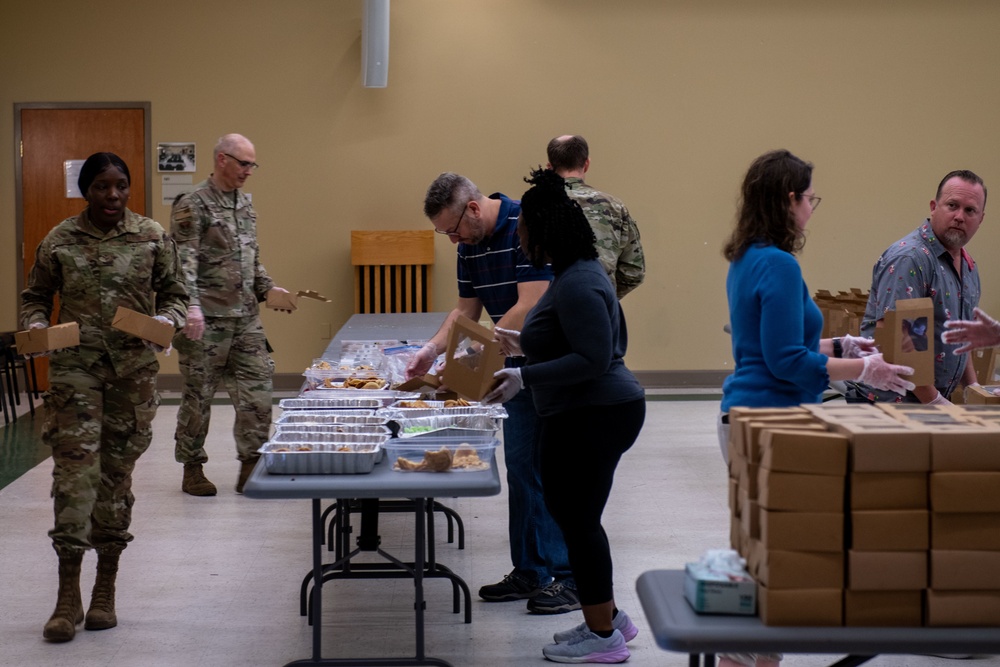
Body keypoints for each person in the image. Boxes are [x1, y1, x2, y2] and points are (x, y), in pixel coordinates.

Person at [719, 150, 915, 667]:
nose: (812, 207)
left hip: (748, 413)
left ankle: (757, 657)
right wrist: (866, 372)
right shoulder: (779, 265)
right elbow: (784, 362)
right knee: (778, 554)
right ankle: (748, 656)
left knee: (766, 551)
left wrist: (841, 346)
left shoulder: (748, 258)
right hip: (769, 419)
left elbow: (770, 347)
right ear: (789, 201)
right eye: (810, 198)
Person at [21, 152, 188, 642]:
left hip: (131, 376)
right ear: (85, 190)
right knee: (75, 478)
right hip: (75, 371)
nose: (112, 196)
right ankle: (66, 597)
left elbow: (175, 293)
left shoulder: (153, 236)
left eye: (120, 186)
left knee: (114, 482)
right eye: (101, 187)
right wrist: (35, 325)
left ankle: (104, 591)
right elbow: (36, 296)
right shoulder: (60, 239)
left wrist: (169, 322)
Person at [483, 168, 645, 664]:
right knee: (577, 519)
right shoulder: (572, 273)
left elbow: (594, 358)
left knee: (578, 523)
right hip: (585, 411)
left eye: (523, 230)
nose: (520, 238)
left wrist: (525, 377)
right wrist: (523, 345)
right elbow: (568, 340)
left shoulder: (577, 283)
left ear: (544, 229)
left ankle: (603, 639)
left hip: (596, 414)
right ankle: (609, 619)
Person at [404, 172, 579, 614]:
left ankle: (568, 577)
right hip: (515, 367)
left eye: (453, 229)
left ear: (474, 209)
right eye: (444, 233)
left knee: (554, 471)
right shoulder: (469, 244)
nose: (451, 240)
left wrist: (468, 361)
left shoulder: (526, 224)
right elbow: (466, 310)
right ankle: (530, 571)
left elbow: (529, 304)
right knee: (521, 469)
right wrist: (431, 350)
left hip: (550, 365)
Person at [171, 133, 291, 496]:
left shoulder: (245, 205)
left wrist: (269, 288)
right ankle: (192, 467)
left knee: (258, 392)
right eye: (244, 163)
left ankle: (250, 465)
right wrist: (189, 307)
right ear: (222, 160)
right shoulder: (192, 204)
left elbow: (251, 257)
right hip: (204, 322)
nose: (249, 171)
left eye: (253, 164)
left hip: (246, 320)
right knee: (198, 399)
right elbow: (182, 263)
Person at [847, 169, 987, 405]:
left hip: (926, 403)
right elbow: (901, 344)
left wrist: (972, 388)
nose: (960, 216)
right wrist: (936, 403)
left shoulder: (969, 267)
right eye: (952, 205)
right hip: (889, 406)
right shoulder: (911, 258)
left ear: (981, 218)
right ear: (934, 207)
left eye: (970, 210)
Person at [546, 134, 645, 299]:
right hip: (601, 311)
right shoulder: (615, 207)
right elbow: (633, 271)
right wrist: (603, 296)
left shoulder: (535, 206)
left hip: (548, 311)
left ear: (549, 167)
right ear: (586, 164)